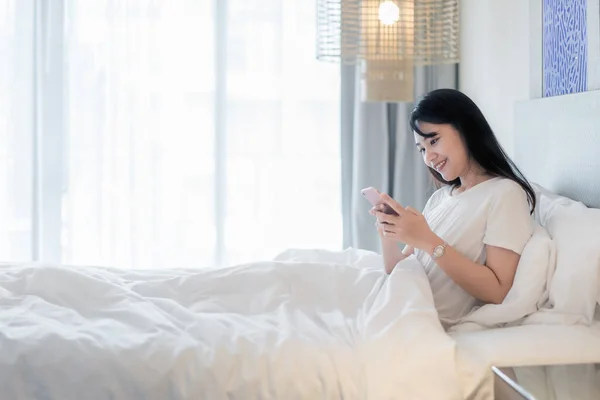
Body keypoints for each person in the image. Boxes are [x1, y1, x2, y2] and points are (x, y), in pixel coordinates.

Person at [369, 88, 536, 328]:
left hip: (427, 323)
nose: (428, 157)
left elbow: (498, 290)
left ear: (465, 127)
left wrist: (427, 240)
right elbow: (396, 269)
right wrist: (388, 231)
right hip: (401, 307)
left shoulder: (505, 194)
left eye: (434, 140)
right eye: (422, 149)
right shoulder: (440, 198)